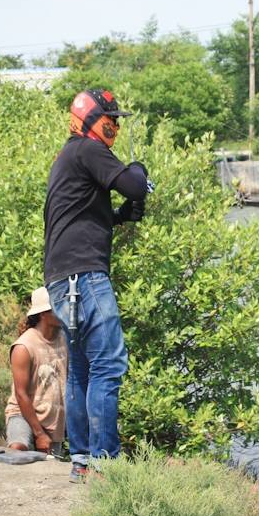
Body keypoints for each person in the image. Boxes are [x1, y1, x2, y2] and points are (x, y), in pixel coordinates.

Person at [43, 88, 149, 483]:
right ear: (90, 118)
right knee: (108, 364)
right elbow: (135, 184)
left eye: (118, 119)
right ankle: (106, 465)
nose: (116, 125)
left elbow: (81, 216)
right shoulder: (87, 150)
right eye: (111, 118)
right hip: (84, 276)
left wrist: (118, 216)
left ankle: (83, 462)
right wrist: (138, 172)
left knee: (82, 371)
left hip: (61, 278)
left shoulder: (67, 158)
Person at [4, 286, 68, 458]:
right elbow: (21, 394)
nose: (64, 310)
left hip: (53, 420)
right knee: (18, 449)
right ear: (43, 314)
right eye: (57, 307)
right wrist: (39, 434)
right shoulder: (24, 347)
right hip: (23, 414)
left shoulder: (66, 339)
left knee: (49, 473)